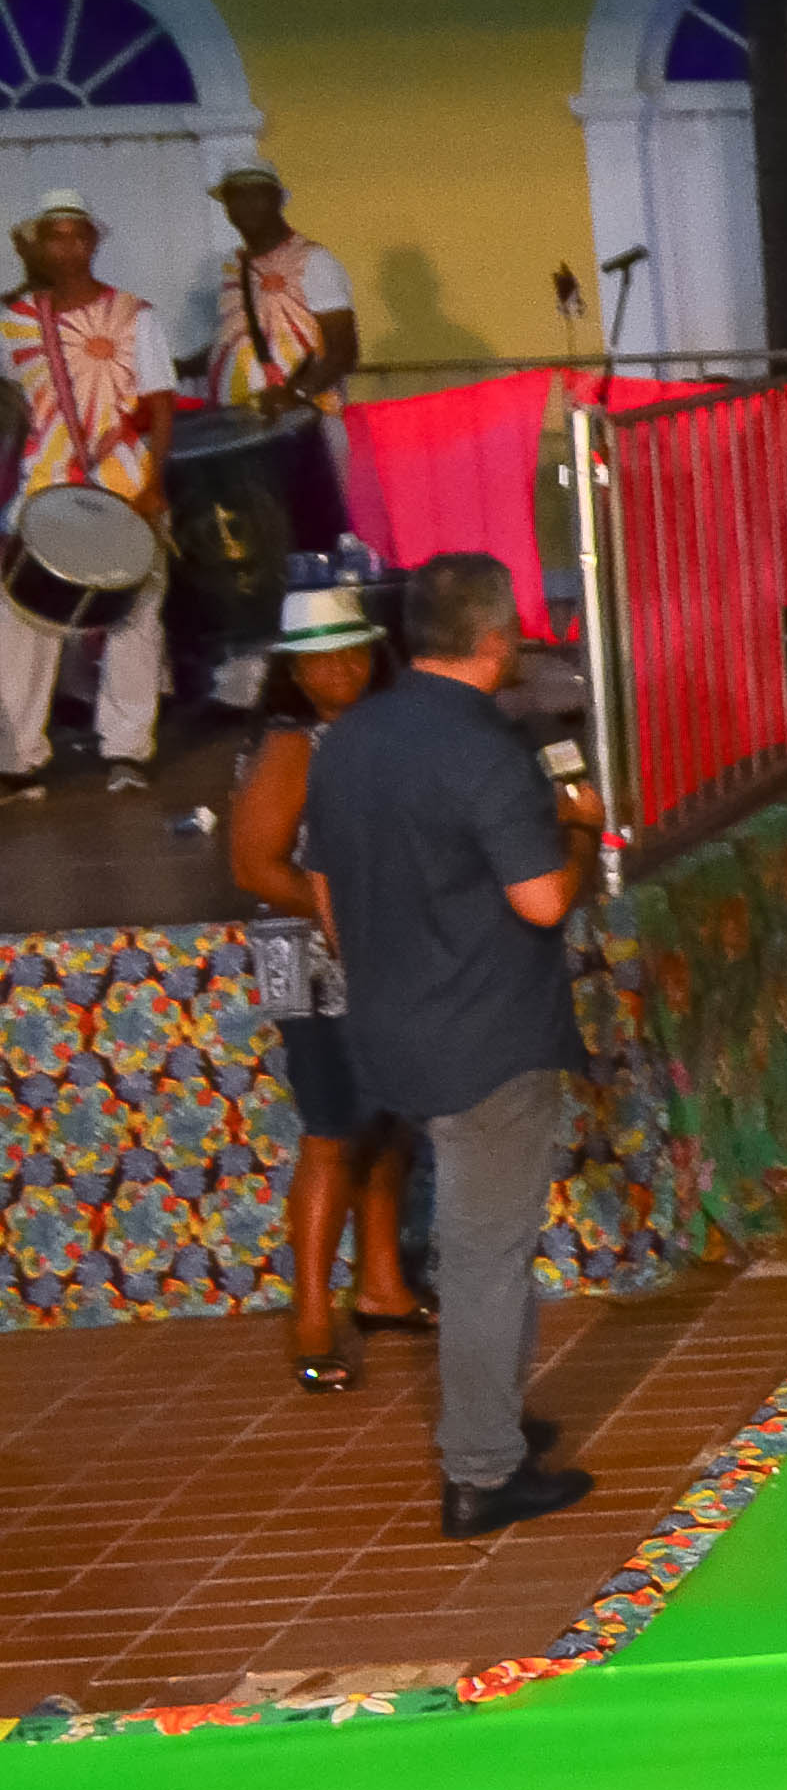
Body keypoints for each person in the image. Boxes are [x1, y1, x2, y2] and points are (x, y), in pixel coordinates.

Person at [300, 552, 604, 1540]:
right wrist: (582, 833)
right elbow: (543, 901)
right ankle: (481, 1469)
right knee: (485, 1257)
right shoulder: (486, 750)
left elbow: (324, 886)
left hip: (390, 1025)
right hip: (487, 1037)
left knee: (480, 1246)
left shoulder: (350, 738)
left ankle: (496, 1420)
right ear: (497, 638)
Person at [228, 582, 422, 1394]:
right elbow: (254, 866)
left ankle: (382, 1286)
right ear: (295, 673)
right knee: (334, 1128)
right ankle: (311, 1314)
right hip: (308, 961)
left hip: (377, 955)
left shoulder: (380, 729)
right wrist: (351, 910)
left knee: (391, 1120)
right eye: (320, 662)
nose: (339, 671)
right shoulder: (293, 745)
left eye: (351, 654)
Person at [1, 186, 177, 798]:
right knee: (21, 617)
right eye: (54, 237)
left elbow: (160, 406)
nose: (68, 248)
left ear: (93, 242)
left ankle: (127, 749)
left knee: (134, 617)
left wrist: (153, 486)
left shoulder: (134, 315)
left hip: (125, 481)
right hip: (44, 487)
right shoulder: (15, 321)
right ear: (38, 247)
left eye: (78, 236)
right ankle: (17, 758)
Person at [197, 161, 357, 412]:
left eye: (256, 195)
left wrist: (295, 394)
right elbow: (239, 338)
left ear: (277, 200)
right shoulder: (234, 266)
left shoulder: (313, 261)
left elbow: (343, 351)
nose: (245, 205)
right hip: (238, 417)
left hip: (300, 418)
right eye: (235, 197)